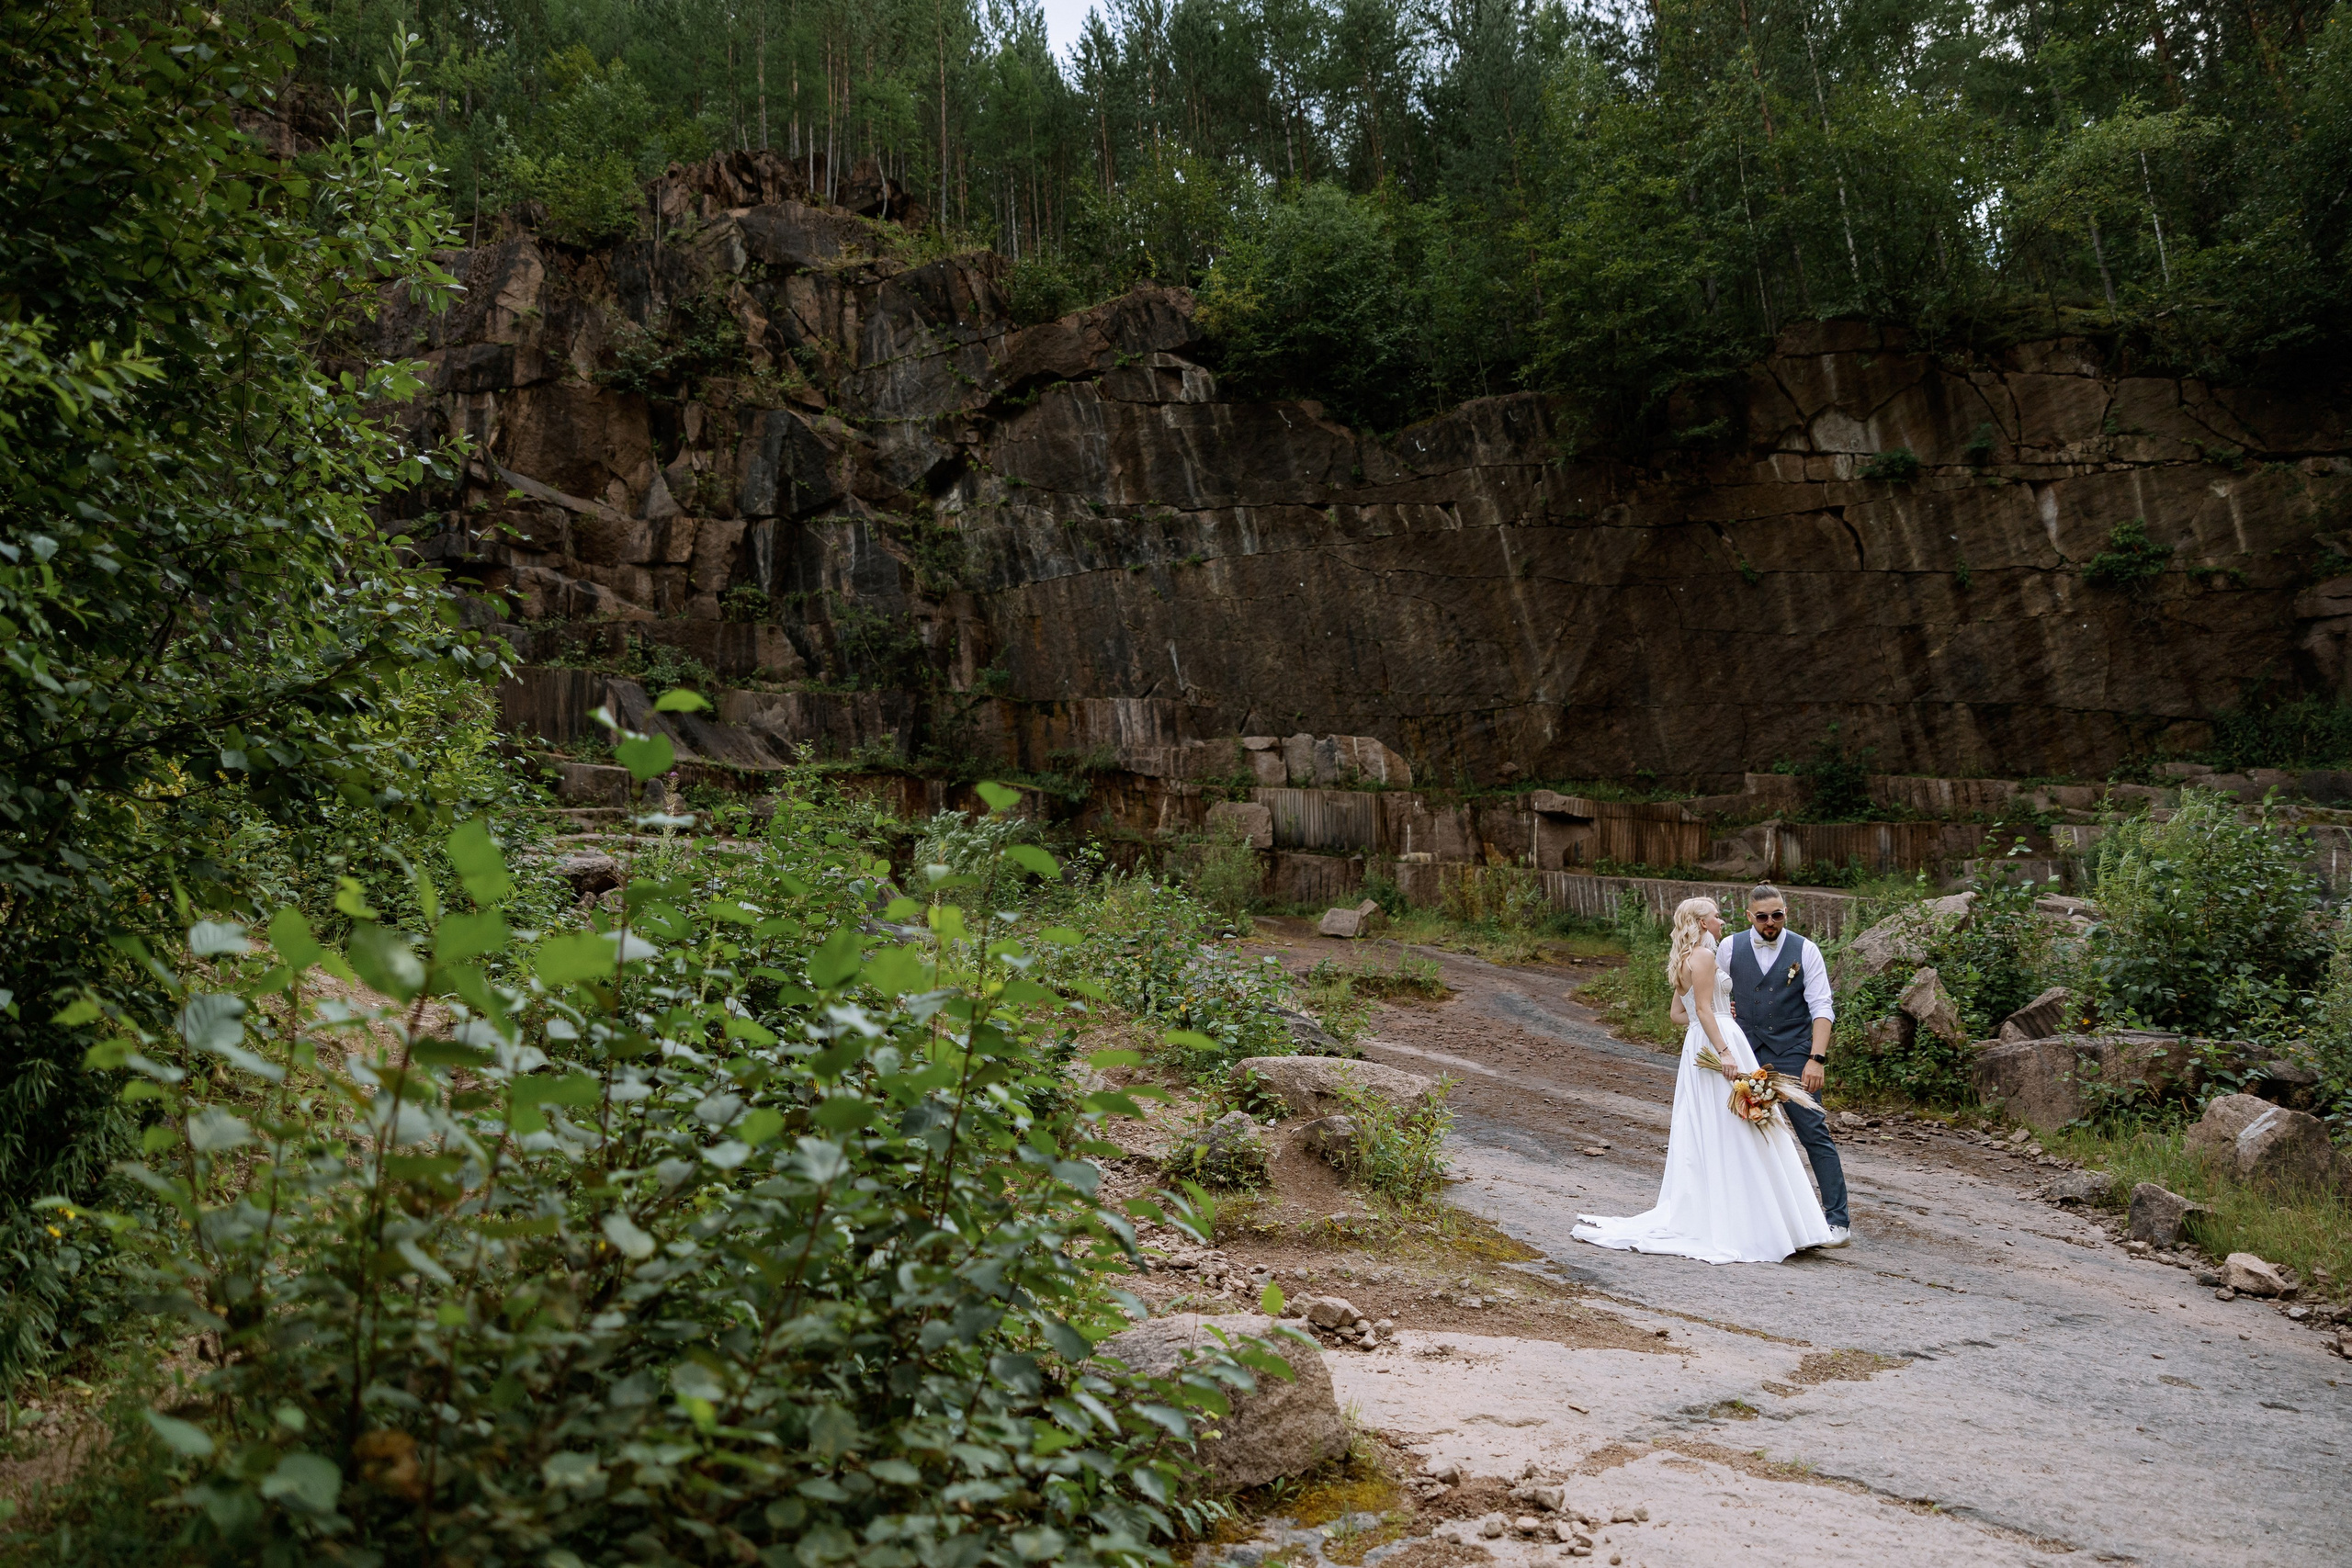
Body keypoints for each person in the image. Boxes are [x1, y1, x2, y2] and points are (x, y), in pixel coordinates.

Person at [1573, 897, 1836, 1264]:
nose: (1721, 922)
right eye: (1716, 916)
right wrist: (1724, 1045)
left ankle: (1744, 1214)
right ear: (1700, 922)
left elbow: (1677, 1014)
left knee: (1716, 1127)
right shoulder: (1706, 956)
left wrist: (1709, 1018)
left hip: (1700, 1043)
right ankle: (1762, 1223)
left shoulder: (1684, 959)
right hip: (1720, 1044)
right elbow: (1697, 1009)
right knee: (1744, 1126)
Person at [1719, 885, 1850, 1246]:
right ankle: (1752, 1220)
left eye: (1777, 914)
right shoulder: (1729, 947)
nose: (1770, 922)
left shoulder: (1805, 949)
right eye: (1762, 916)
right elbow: (1711, 991)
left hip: (1794, 1052)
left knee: (1813, 1132)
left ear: (1785, 912)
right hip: (1745, 1051)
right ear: (1749, 916)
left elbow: (1822, 1006)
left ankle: (1837, 1222)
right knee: (1741, 1133)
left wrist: (1816, 1059)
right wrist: (1723, 1017)